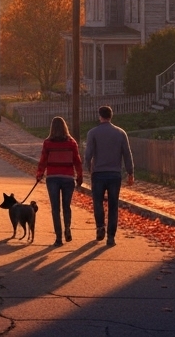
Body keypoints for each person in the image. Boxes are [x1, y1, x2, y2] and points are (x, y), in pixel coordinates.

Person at [85, 105, 135, 246]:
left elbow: (88, 155)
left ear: (99, 116)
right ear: (111, 116)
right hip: (114, 174)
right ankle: (111, 236)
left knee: (97, 202)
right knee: (113, 205)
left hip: (98, 173)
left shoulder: (92, 133)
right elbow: (127, 154)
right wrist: (130, 172)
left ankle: (100, 226)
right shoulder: (120, 133)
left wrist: (89, 169)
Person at [35, 116, 83, 246]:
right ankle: (67, 227)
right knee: (66, 206)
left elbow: (43, 160)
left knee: (55, 209)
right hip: (68, 178)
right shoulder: (71, 142)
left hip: (52, 178)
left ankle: (58, 238)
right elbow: (77, 160)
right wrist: (80, 175)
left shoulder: (48, 143)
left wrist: (39, 174)